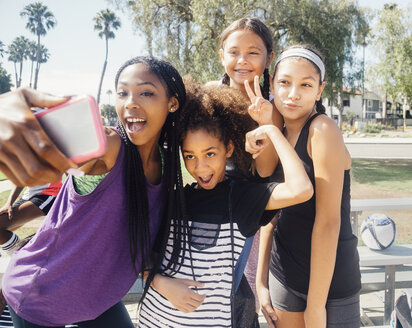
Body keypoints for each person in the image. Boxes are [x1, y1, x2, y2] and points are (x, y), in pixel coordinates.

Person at [1, 56, 187, 327]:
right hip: (39, 296)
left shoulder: (167, 162)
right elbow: (64, 146)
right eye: (122, 93)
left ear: (172, 103)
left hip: (99, 299)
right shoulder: (109, 147)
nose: (130, 102)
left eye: (146, 92)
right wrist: (11, 124)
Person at [137, 81, 313, 328]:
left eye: (210, 154)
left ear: (228, 148)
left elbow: (301, 189)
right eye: (190, 156)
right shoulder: (175, 200)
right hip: (154, 320)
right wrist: (160, 283)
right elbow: (142, 258)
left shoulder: (242, 200)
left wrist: (271, 129)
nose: (200, 167)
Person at [254, 45, 361, 328]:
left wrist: (315, 306)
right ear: (273, 85)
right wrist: (261, 280)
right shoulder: (278, 130)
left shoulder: (322, 130)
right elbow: (272, 212)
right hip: (285, 276)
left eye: (305, 84)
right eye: (284, 83)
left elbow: (328, 221)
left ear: (320, 89)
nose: (293, 93)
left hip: (334, 283)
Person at [214, 17, 279, 309]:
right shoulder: (208, 98)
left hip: (251, 226)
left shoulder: (276, 107)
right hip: (208, 219)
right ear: (222, 55)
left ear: (269, 58)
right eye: (234, 51)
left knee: (240, 307)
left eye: (253, 52)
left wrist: (265, 123)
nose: (242, 60)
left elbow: (265, 172)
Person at [0, 180, 62, 256]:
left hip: (49, 194)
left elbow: (70, 175)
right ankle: (25, 256)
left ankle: (23, 260)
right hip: (29, 195)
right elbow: (19, 178)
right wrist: (8, 203)